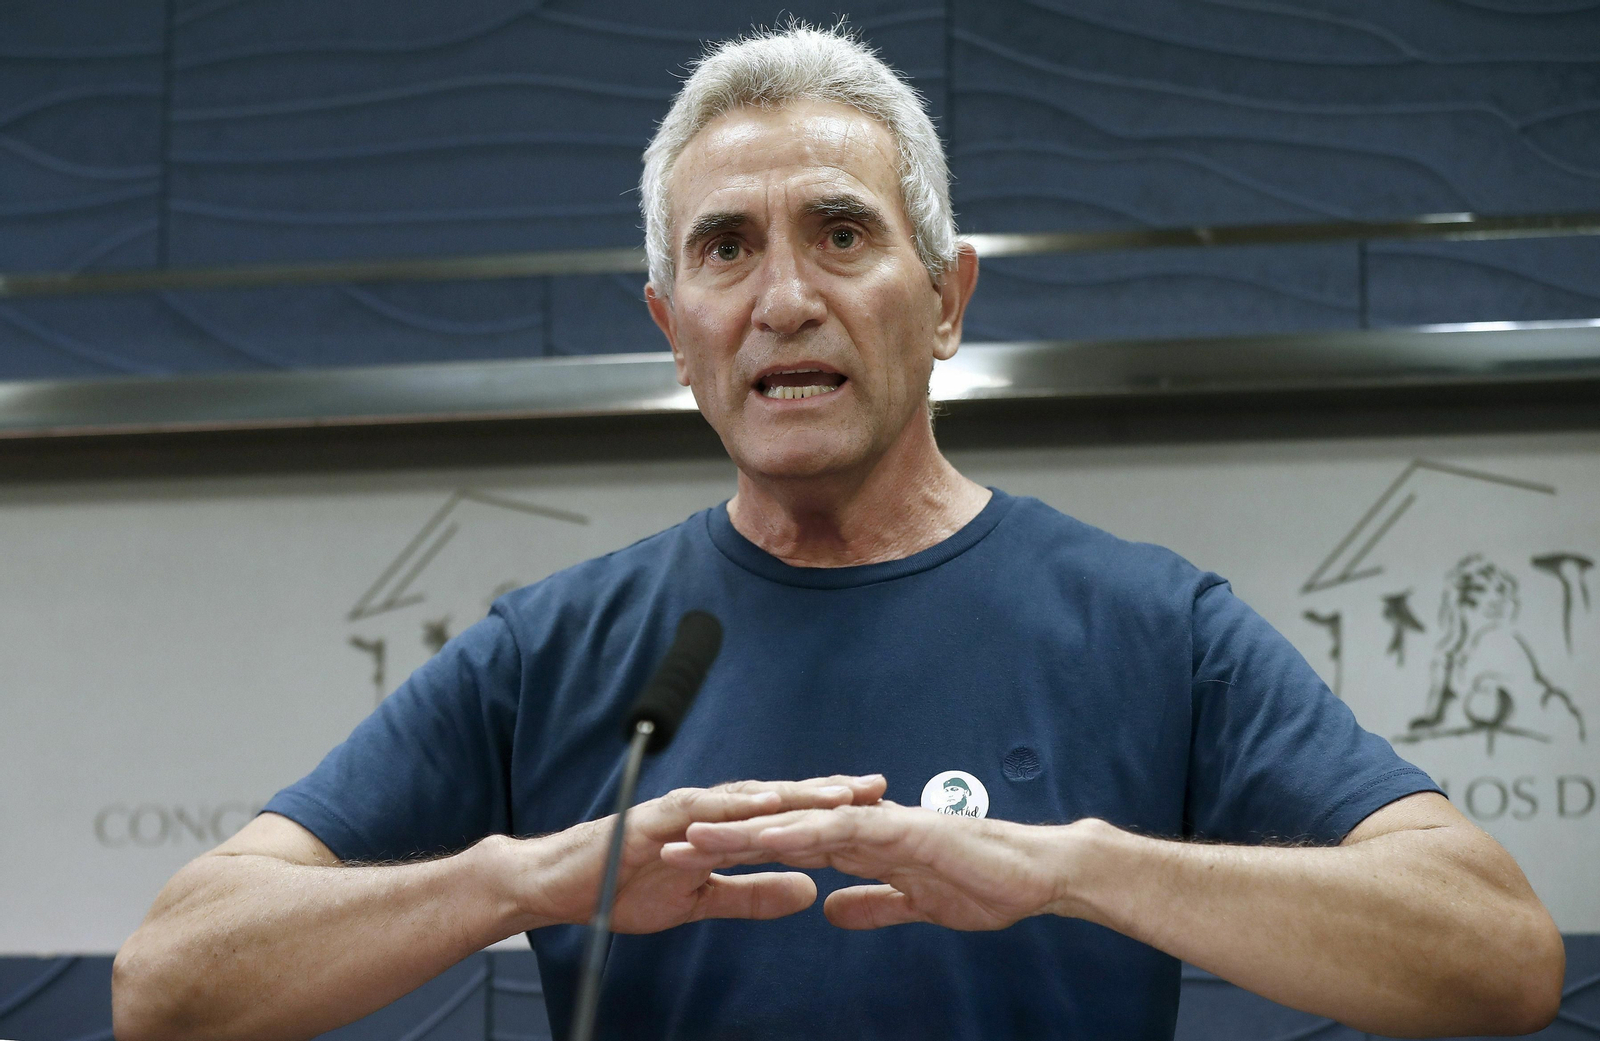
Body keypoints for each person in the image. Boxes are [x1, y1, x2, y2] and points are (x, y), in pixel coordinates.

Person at [112, 23, 1564, 1041]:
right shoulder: (554, 648)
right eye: (726, 249)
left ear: (948, 300)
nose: (785, 299)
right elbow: (169, 982)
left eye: (842, 232)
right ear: (673, 330)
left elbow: (1498, 958)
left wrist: (1076, 870)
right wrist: (535, 877)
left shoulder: (1145, 623)